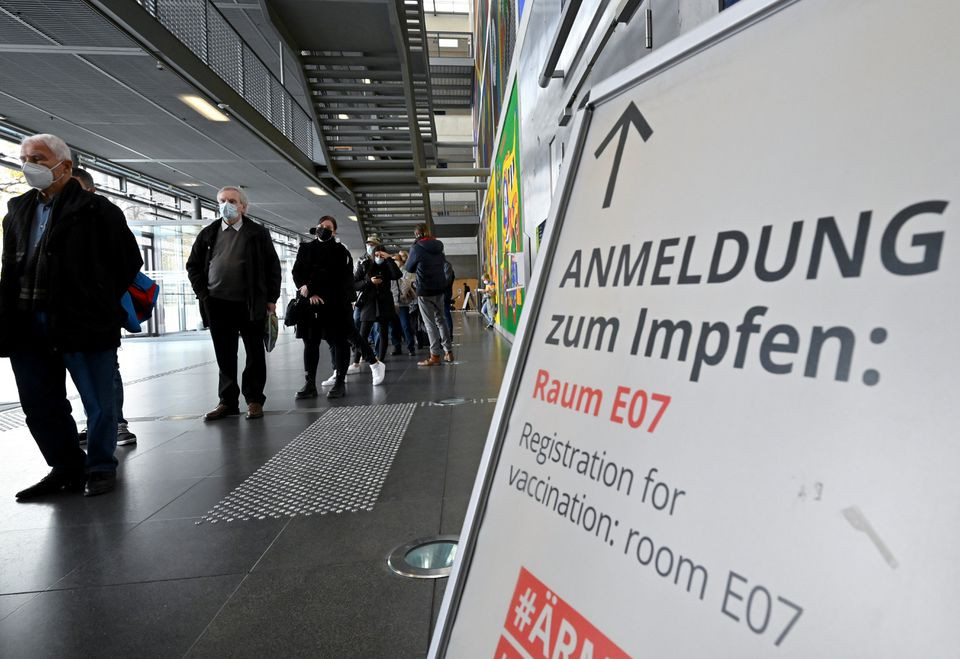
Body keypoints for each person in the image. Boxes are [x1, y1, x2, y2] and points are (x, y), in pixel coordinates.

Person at [0, 134, 142, 498]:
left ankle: (99, 467)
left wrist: (95, 300)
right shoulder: (17, 210)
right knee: (39, 403)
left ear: (64, 166)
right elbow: (10, 267)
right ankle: (65, 468)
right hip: (28, 322)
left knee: (98, 400)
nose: (29, 164)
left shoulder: (98, 210)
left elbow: (127, 262)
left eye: (38, 157)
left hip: (83, 322)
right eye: (24, 158)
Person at [186, 186, 281, 420]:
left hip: (250, 303)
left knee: (254, 352)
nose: (226, 204)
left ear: (243, 206)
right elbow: (193, 266)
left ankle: (254, 399)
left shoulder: (257, 233)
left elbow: (272, 267)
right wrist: (203, 294)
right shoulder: (208, 233)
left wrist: (271, 298)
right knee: (224, 354)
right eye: (222, 200)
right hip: (217, 303)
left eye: (231, 200)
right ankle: (227, 401)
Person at [72, 168, 137, 446]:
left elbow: (128, 260)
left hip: (98, 313)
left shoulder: (105, 215)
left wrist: (104, 296)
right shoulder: (40, 213)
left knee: (106, 370)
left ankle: (115, 423)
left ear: (90, 189)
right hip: (58, 315)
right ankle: (94, 423)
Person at [292, 216, 385, 398]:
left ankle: (340, 380)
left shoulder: (340, 251)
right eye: (321, 226)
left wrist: (311, 287)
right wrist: (308, 291)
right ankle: (310, 383)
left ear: (334, 231)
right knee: (311, 343)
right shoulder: (306, 248)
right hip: (310, 303)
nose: (324, 229)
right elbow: (297, 271)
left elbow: (333, 276)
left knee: (339, 341)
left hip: (335, 303)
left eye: (328, 227)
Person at [405, 223, 454, 365]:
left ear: (416, 234)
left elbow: (409, 268)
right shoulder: (439, 246)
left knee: (430, 323)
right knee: (441, 320)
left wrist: (414, 247)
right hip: (439, 288)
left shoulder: (417, 248)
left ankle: (435, 356)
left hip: (424, 290)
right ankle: (448, 352)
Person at [350, 244, 401, 366]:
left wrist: (389, 259)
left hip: (384, 302)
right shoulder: (365, 265)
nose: (379, 257)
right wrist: (369, 281)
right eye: (376, 255)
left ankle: (380, 360)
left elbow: (397, 275)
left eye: (381, 255)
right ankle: (356, 361)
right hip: (368, 303)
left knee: (383, 332)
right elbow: (355, 284)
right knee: (363, 334)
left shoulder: (388, 266)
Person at [389, 251, 417, 356]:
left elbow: (411, 282)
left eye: (396, 260)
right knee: (393, 327)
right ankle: (397, 347)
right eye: (392, 260)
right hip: (391, 303)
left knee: (405, 325)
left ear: (401, 261)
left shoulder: (406, 271)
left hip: (402, 303)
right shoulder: (389, 271)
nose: (394, 262)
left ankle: (411, 347)